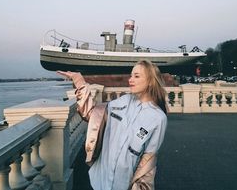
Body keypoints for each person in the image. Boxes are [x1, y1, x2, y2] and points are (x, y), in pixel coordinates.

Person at [58, 60, 168, 190]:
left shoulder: (158, 118)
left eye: (136, 76)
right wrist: (79, 81)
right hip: (100, 180)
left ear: (150, 81)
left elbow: (148, 162)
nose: (130, 80)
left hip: (124, 184)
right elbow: (92, 114)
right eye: (131, 75)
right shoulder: (122, 102)